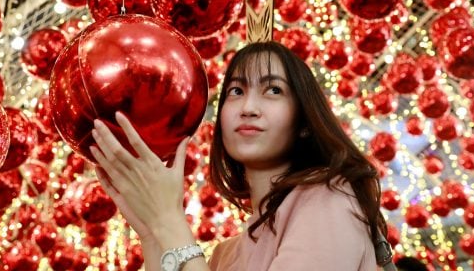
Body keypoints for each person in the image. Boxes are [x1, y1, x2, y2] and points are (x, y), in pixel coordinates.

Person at [90, 40, 394, 271]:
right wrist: (152, 232)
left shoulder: (329, 199)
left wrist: (168, 218)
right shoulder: (227, 255)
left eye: (273, 90)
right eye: (236, 91)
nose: (248, 107)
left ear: (304, 122)